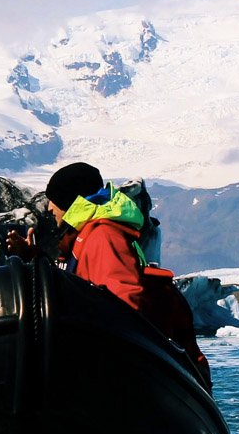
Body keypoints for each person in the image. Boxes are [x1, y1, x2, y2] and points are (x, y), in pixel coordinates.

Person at [44, 162, 212, 390]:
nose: (49, 208)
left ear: (69, 200)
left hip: (128, 373)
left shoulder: (102, 237)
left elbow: (125, 300)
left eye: (54, 199)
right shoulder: (89, 236)